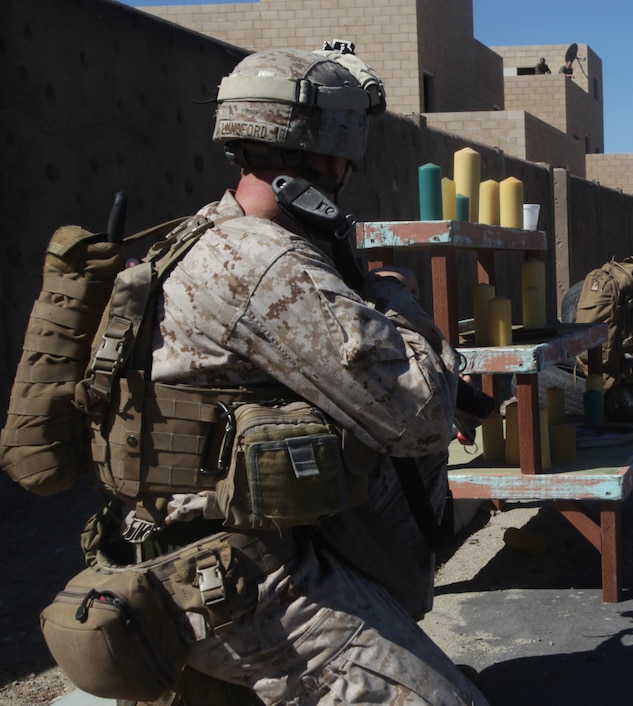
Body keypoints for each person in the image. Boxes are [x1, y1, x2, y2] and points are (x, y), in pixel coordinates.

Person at [79, 47, 489, 705]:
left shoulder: (199, 233)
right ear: (331, 152)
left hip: (199, 538)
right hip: (234, 573)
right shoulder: (265, 263)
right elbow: (422, 416)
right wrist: (394, 298)